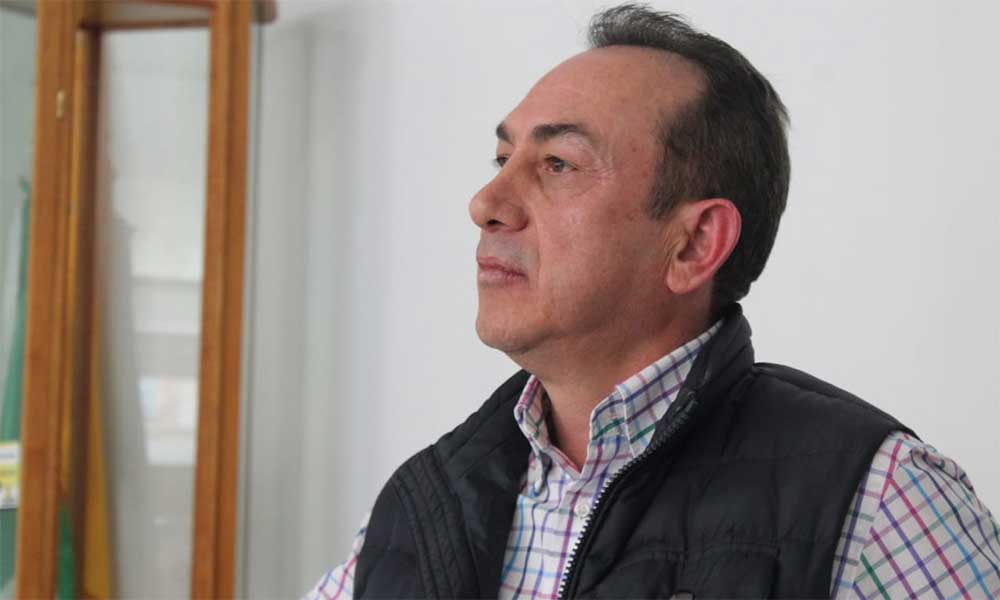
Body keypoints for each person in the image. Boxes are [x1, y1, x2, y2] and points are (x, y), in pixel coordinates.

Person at [306, 4, 1000, 598]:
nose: (486, 202)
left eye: (557, 164)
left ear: (694, 244)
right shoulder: (420, 510)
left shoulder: (878, 499)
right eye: (501, 160)